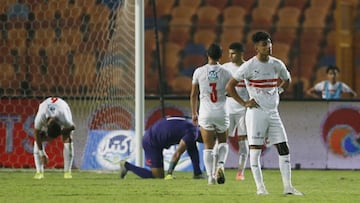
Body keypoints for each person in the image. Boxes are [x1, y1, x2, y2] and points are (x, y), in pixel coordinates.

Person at [225, 31, 303, 195]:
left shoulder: (277, 64)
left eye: (269, 43)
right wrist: (244, 103)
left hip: (273, 112)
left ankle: (288, 187)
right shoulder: (249, 66)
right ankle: (260, 188)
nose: (268, 46)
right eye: (264, 44)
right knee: (255, 149)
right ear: (256, 48)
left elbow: (287, 80)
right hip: (256, 113)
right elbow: (229, 87)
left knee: (283, 147)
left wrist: (279, 91)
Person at [190, 43, 232, 185]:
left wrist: (194, 112)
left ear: (207, 55)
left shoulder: (199, 72)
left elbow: (193, 94)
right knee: (222, 142)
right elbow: (231, 91)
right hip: (221, 111)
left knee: (208, 147)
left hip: (205, 112)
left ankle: (210, 177)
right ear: (221, 56)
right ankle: (220, 165)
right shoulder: (226, 72)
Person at [119, 116, 204, 179]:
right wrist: (169, 173)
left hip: (156, 135)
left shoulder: (192, 127)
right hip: (151, 141)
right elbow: (177, 153)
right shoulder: (193, 133)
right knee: (157, 176)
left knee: (192, 146)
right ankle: (126, 165)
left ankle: (197, 173)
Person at [222, 42, 249, 181]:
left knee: (243, 141)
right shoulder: (225, 68)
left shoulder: (249, 67)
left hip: (244, 110)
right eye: (229, 53)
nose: (230, 56)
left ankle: (240, 172)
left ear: (241, 54)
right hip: (228, 108)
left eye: (233, 53)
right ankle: (218, 169)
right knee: (222, 139)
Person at [33, 97, 75, 179]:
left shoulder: (65, 118)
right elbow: (36, 133)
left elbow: (73, 127)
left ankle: (67, 172)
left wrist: (62, 132)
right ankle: (39, 172)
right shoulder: (40, 117)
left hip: (63, 106)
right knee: (39, 137)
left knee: (67, 137)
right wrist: (42, 154)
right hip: (46, 106)